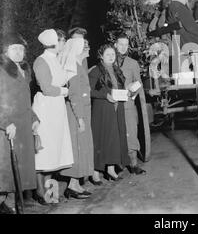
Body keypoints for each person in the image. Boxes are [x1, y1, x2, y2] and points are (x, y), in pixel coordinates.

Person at [32, 29, 73, 204]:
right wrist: (65, 91)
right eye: (62, 41)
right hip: (46, 108)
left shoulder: (55, 59)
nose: (64, 45)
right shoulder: (41, 61)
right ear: (54, 43)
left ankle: (49, 192)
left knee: (54, 150)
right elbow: (47, 88)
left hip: (56, 108)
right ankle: (40, 192)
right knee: (44, 152)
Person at [0, 33, 39, 213]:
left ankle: (11, 203)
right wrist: (6, 123)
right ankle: (8, 204)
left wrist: (33, 118)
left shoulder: (24, 70)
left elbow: (25, 100)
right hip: (8, 128)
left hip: (23, 125)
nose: (18, 52)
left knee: (19, 170)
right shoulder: (2, 70)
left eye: (21, 48)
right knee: (7, 172)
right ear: (5, 51)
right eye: (13, 48)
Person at [89, 44, 131, 182]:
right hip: (102, 109)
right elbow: (89, 91)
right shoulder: (95, 71)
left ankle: (111, 170)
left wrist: (127, 92)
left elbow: (120, 89)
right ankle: (95, 173)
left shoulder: (116, 70)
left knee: (114, 139)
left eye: (113, 54)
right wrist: (105, 95)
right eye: (107, 54)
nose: (111, 57)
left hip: (117, 109)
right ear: (101, 56)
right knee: (101, 139)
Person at [59, 37, 94, 198]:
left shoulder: (79, 65)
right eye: (84, 45)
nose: (88, 47)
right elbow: (74, 95)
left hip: (83, 112)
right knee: (78, 147)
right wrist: (80, 118)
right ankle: (72, 186)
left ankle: (76, 184)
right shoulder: (73, 67)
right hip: (76, 114)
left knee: (82, 147)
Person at [114, 34, 146, 175]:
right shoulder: (109, 61)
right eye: (120, 44)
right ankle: (117, 164)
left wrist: (132, 94)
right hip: (113, 104)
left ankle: (134, 164)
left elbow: (138, 83)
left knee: (131, 133)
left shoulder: (132, 63)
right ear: (115, 44)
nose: (123, 47)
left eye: (126, 45)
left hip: (127, 105)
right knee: (115, 134)